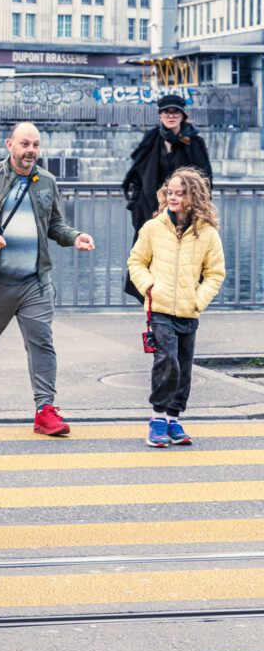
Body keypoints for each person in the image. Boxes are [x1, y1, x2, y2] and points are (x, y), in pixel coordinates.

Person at [0, 122, 96, 436]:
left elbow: (56, 226)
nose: (30, 151)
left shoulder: (47, 182)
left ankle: (45, 410)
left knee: (42, 343)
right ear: (9, 144)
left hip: (35, 281)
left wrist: (75, 237)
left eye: (35, 145)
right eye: (24, 144)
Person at [127, 168, 225, 448]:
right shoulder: (153, 227)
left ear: (194, 197)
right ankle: (157, 418)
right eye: (170, 192)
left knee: (183, 368)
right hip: (159, 309)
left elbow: (215, 272)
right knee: (166, 361)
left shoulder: (207, 233)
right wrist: (149, 286)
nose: (173, 197)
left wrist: (199, 300)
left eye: (180, 193)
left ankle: (173, 417)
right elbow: (136, 262)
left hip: (188, 310)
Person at [122, 94, 213, 299]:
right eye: (166, 111)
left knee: (181, 266)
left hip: (184, 216)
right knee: (149, 264)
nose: (170, 115)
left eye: (175, 112)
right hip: (151, 214)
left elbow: (205, 178)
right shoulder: (152, 139)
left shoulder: (194, 141)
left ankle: (176, 314)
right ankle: (155, 315)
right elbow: (138, 174)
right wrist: (136, 206)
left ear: (182, 115)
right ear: (160, 115)